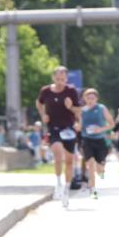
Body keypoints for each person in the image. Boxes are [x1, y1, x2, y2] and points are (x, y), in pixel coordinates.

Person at [36, 66, 82, 208]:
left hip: (68, 128)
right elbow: (39, 102)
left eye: (63, 78)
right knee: (57, 154)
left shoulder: (71, 91)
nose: (60, 81)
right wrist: (43, 114)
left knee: (69, 161)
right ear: (53, 78)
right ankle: (58, 184)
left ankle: (67, 190)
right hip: (53, 128)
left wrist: (71, 107)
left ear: (66, 79)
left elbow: (78, 109)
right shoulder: (46, 91)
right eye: (57, 78)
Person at [79, 88, 115, 200]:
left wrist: (100, 129)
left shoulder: (101, 108)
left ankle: (101, 169)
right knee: (90, 164)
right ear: (84, 98)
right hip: (87, 140)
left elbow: (112, 124)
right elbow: (79, 126)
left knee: (99, 168)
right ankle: (93, 190)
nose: (90, 100)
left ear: (96, 99)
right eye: (88, 98)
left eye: (92, 98)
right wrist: (77, 127)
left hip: (100, 140)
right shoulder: (82, 110)